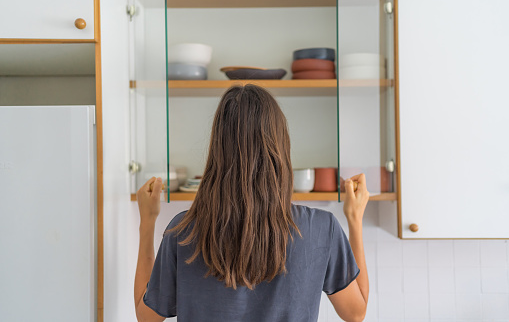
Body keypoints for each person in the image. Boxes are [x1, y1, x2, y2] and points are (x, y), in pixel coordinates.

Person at [134, 84, 369, 322]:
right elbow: (356, 312)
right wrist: (355, 219)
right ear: (280, 147)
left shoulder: (183, 231)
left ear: (217, 151)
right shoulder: (321, 228)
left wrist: (147, 223)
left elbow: (146, 317)